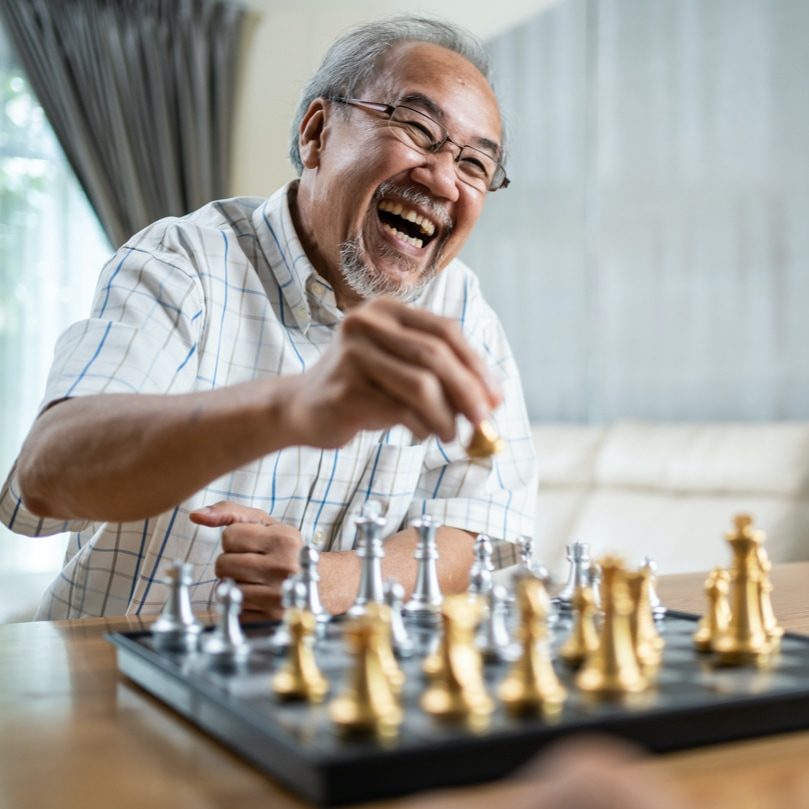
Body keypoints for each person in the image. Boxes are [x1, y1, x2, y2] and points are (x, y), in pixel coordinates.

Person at [0, 15, 536, 620]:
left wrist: (334, 580)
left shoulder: (460, 306)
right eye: (417, 128)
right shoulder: (182, 261)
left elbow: (478, 527)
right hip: (116, 680)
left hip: (317, 696)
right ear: (317, 133)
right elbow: (46, 474)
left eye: (475, 166)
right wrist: (292, 406)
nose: (443, 179)